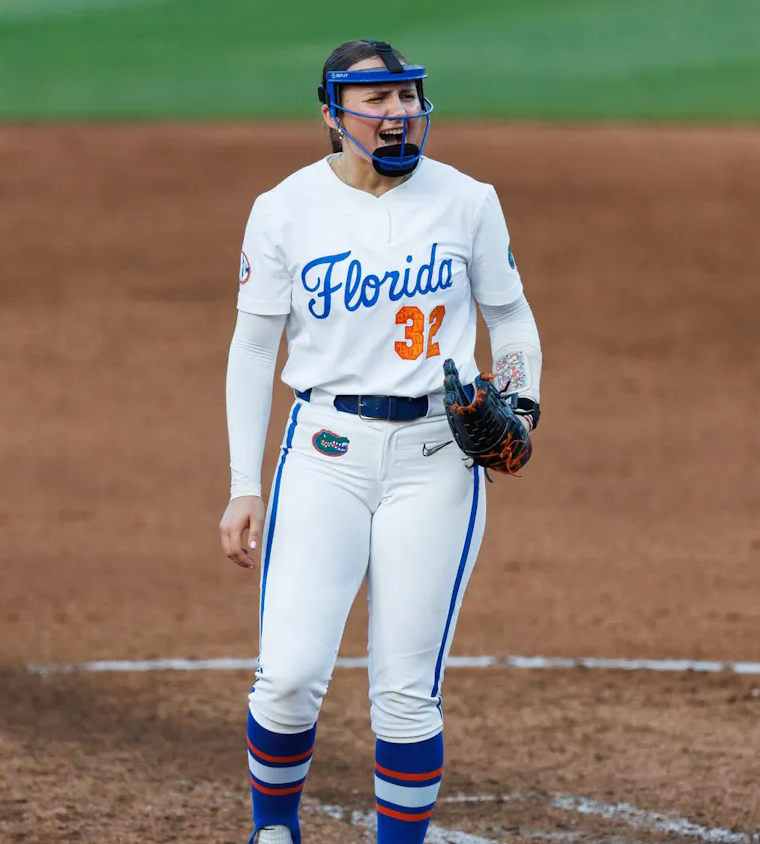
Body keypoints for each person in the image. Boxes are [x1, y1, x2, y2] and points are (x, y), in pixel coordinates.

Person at [218, 38, 544, 844]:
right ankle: (274, 831)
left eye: (406, 98)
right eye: (378, 101)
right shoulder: (284, 208)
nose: (399, 114)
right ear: (333, 115)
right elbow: (255, 350)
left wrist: (522, 405)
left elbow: (510, 319)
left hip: (438, 458)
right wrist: (242, 483)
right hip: (325, 449)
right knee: (288, 677)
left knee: (404, 691)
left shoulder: (467, 199)